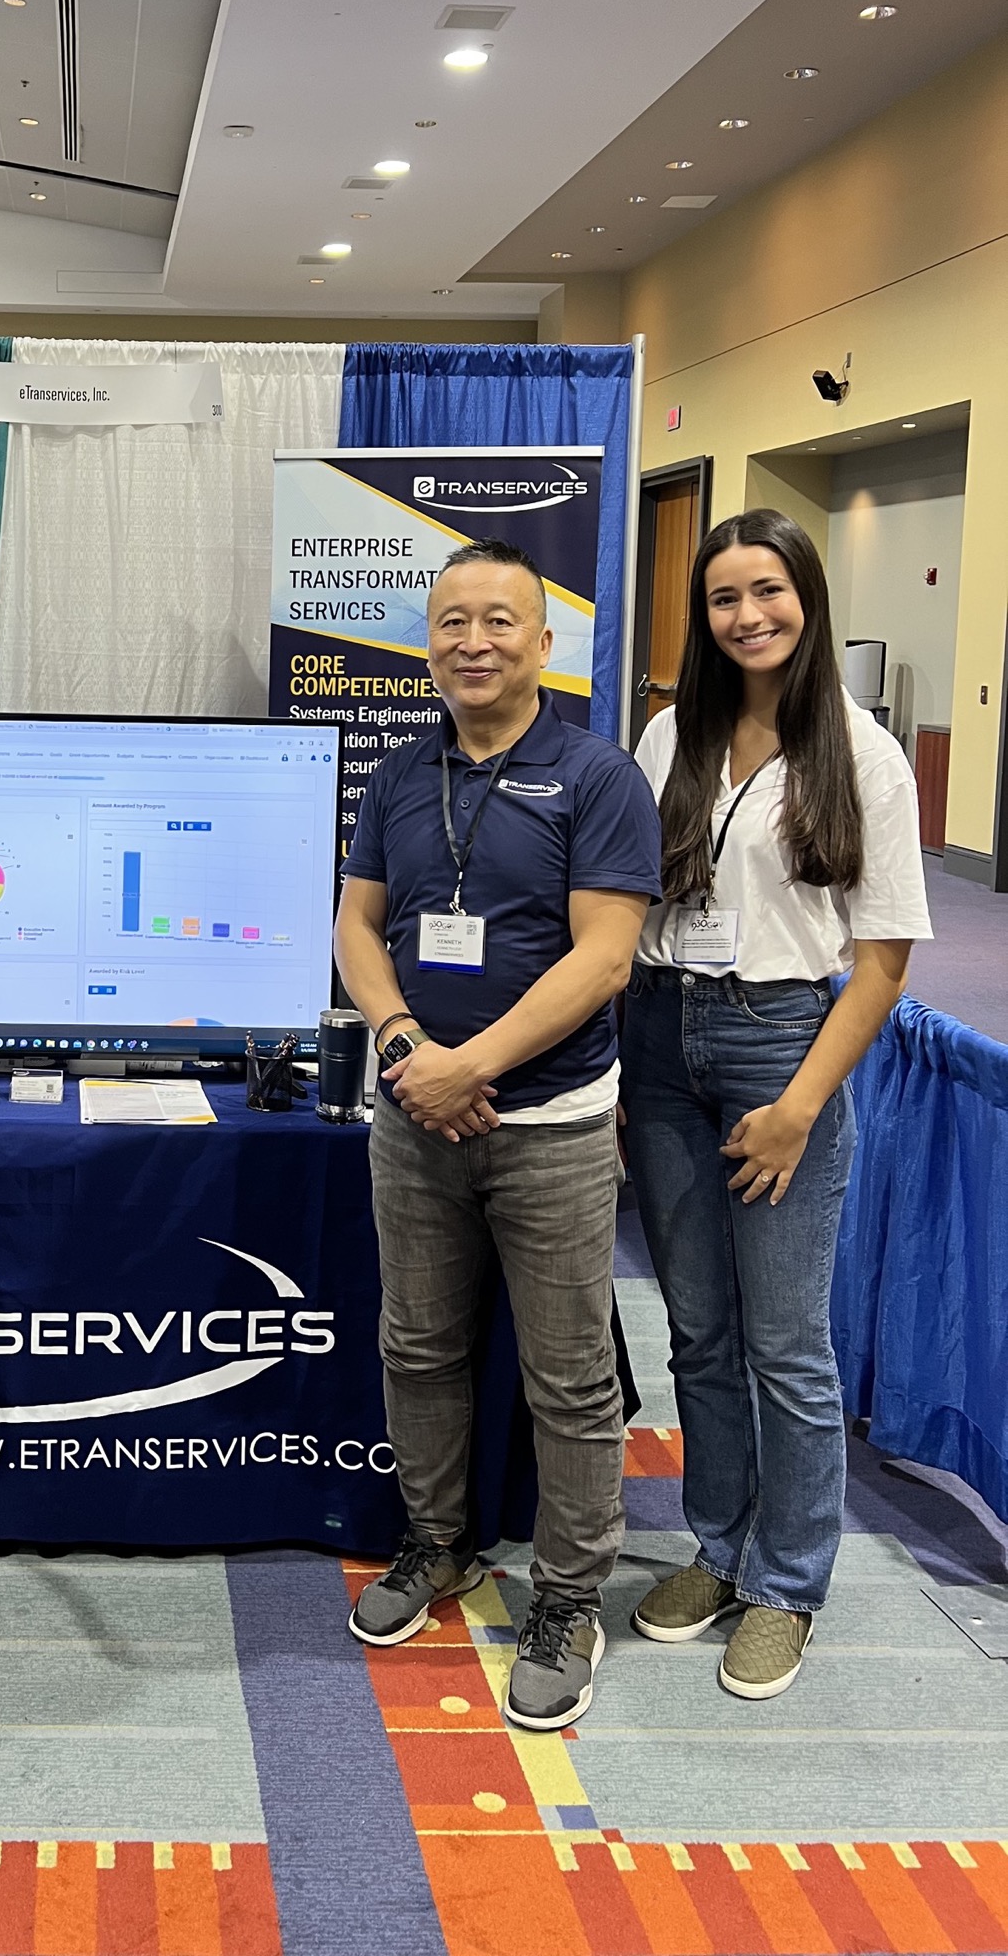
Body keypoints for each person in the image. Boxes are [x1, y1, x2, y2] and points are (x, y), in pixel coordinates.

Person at [333, 537, 660, 1730]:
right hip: (416, 1113)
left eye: (499, 622)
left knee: (569, 1378)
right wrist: (408, 1046)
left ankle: (568, 1601)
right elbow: (358, 926)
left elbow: (605, 956)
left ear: (544, 640)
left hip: (555, 1124)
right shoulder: (399, 774)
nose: (473, 641)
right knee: (417, 1343)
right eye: (451, 621)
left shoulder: (597, 774)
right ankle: (439, 1545)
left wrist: (474, 1064)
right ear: (428, 639)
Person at [621, 509, 930, 1699]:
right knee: (694, 1325)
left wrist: (802, 1104)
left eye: (769, 591)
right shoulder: (669, 737)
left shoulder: (864, 756)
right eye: (723, 598)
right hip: (661, 1037)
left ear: (807, 597)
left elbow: (885, 962)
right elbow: (630, 908)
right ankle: (717, 1543)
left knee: (785, 1342)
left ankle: (787, 1582)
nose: (747, 615)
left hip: (779, 1043)